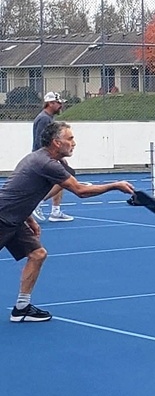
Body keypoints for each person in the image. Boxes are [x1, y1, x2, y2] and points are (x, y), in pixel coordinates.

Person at [1, 121, 135, 322]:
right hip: (2, 218)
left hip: (15, 219)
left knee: (38, 254)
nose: (74, 143)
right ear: (56, 142)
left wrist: (29, 218)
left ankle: (22, 308)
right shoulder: (45, 163)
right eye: (70, 139)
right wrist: (114, 185)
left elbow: (22, 194)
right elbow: (80, 191)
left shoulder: (47, 162)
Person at [32, 92, 73, 222]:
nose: (61, 106)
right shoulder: (44, 119)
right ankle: (38, 202)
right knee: (65, 177)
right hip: (44, 158)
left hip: (47, 157)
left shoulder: (47, 118)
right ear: (50, 103)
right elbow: (41, 141)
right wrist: (55, 157)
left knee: (64, 176)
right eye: (58, 103)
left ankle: (55, 210)